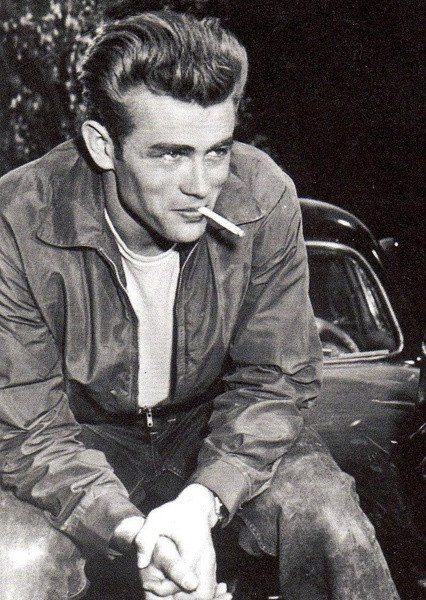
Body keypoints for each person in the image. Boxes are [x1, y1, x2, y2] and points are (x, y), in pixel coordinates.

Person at [0, 10, 400, 600]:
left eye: (217, 151)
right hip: (78, 438)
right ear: (103, 145)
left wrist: (202, 501)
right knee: (15, 558)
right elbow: (28, 426)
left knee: (328, 519)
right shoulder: (18, 219)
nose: (201, 183)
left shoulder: (262, 196)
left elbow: (277, 377)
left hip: (212, 424)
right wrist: (136, 532)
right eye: (170, 155)